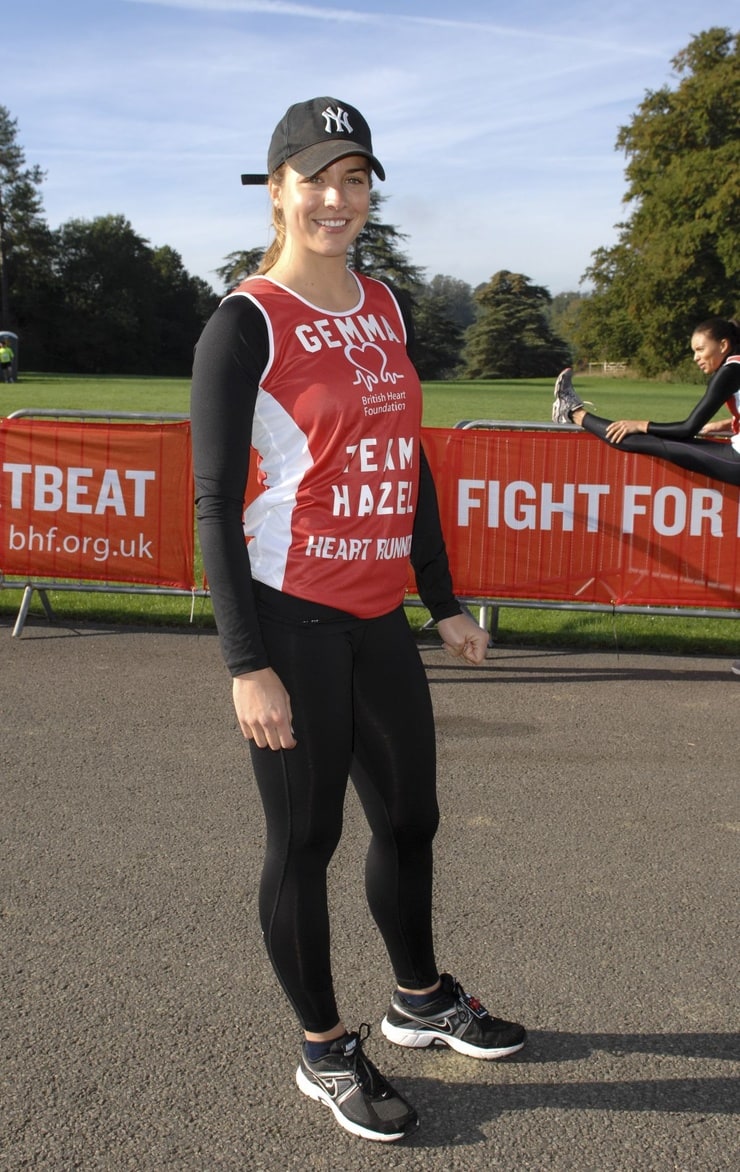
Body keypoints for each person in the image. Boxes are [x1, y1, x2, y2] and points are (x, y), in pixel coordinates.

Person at [190, 96, 526, 1144]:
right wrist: (246, 662)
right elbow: (211, 499)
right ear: (278, 188)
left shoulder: (382, 304)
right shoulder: (243, 321)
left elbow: (405, 456)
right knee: (305, 839)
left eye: (355, 178)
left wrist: (445, 600)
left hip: (378, 615)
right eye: (315, 177)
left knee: (410, 819)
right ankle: (324, 1046)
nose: (337, 198)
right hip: (289, 619)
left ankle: (418, 999)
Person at [551, 315, 740, 676]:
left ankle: (573, 413)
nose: (697, 357)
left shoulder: (731, 370)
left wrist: (641, 423)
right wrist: (724, 425)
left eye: (701, 349)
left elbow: (686, 429)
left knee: (647, 441)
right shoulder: (734, 367)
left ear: (724, 345)